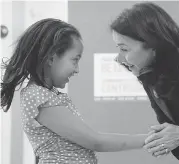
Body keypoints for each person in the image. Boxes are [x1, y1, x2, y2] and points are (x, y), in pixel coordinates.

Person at [1, 18, 151, 164]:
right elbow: (96, 142)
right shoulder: (38, 96)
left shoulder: (47, 95)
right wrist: (150, 139)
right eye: (75, 60)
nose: (77, 69)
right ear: (51, 58)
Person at [110, 2, 179, 164]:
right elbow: (168, 123)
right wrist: (163, 137)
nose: (118, 59)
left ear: (152, 44)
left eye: (124, 49)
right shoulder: (149, 73)